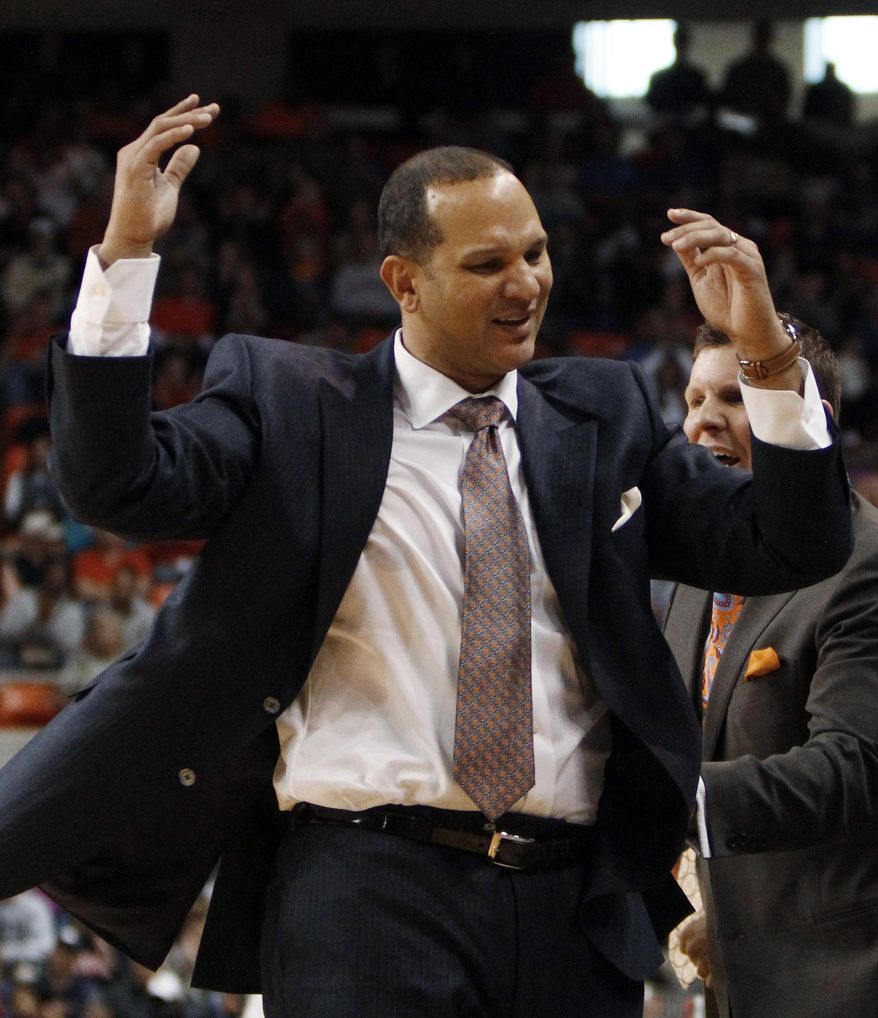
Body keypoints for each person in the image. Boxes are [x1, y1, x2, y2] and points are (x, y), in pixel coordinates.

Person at [0, 96, 852, 1018]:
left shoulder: (605, 416)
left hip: (570, 904)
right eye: (487, 264)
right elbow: (115, 486)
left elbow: (794, 539)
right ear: (403, 282)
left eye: (535, 252)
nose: (525, 285)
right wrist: (125, 258)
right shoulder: (292, 403)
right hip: (366, 889)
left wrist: (765, 350)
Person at [664, 321, 878, 1018]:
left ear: (806, 418)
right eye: (694, 399)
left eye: (733, 396)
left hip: (841, 978)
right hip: (736, 973)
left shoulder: (862, 560)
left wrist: (674, 796)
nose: (704, 421)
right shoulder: (694, 568)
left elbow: (854, 766)